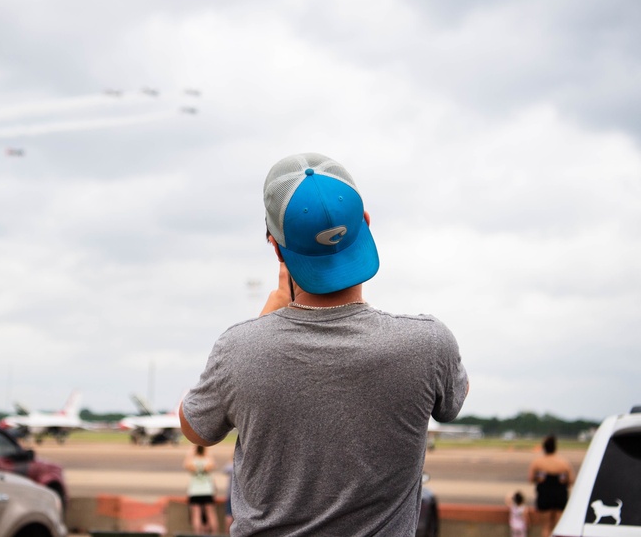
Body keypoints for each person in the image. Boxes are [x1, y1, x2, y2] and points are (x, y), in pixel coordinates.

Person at [179, 152, 469, 536]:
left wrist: (272, 309)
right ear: (365, 223)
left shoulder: (238, 349)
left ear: (276, 246)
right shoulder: (429, 343)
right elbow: (452, 403)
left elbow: (195, 428)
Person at [529, 435, 575, 537]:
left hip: (544, 496)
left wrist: (540, 478)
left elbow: (531, 479)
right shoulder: (564, 462)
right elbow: (571, 480)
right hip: (560, 496)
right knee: (559, 527)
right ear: (555, 447)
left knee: (546, 527)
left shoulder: (537, 462)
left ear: (544, 447)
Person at [184, 445, 219, 535]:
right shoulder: (207, 460)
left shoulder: (193, 461)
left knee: (196, 514)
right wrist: (208, 453)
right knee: (211, 514)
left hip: (195, 491)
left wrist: (190, 453)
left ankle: (197, 534)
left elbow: (186, 465)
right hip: (207, 490)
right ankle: (215, 534)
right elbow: (212, 465)